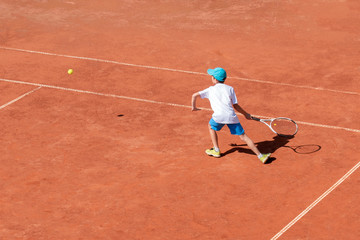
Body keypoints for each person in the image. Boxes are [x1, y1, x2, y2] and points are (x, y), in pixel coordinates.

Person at [191, 67, 271, 164]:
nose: (211, 77)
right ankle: (261, 156)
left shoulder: (210, 90)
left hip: (218, 117)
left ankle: (216, 150)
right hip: (231, 117)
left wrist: (194, 107)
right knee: (243, 137)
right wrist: (246, 114)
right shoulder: (230, 89)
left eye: (212, 76)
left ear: (215, 79)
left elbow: (194, 95)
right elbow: (236, 106)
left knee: (211, 127)